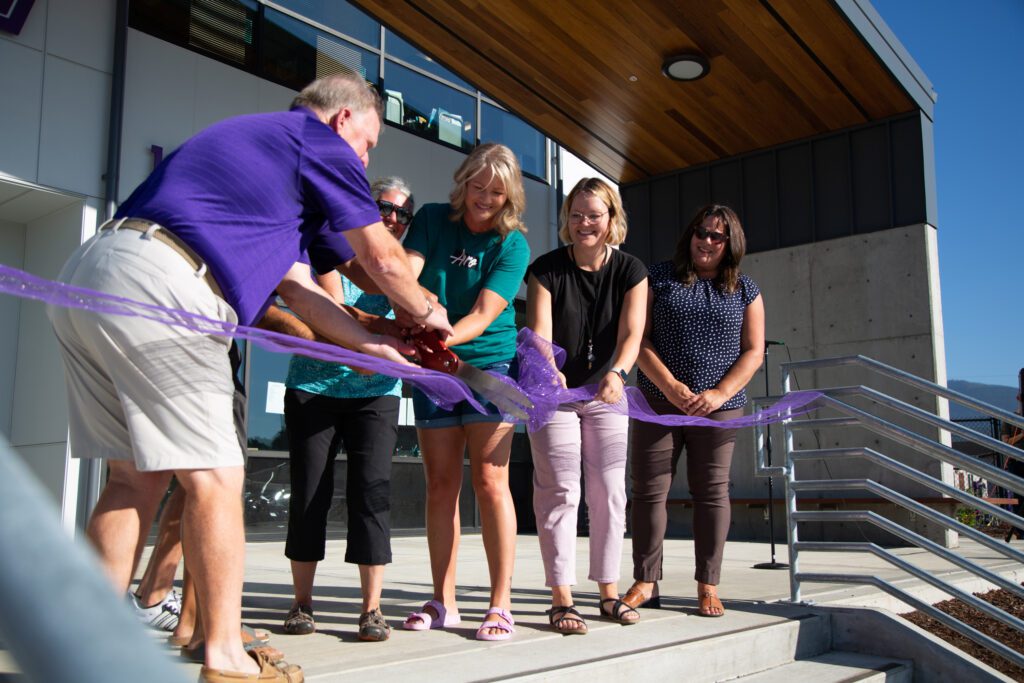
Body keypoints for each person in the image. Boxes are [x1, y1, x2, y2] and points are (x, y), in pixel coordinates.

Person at [48, 73, 451, 682]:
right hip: (169, 285)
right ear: (343, 120)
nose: (364, 160)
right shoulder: (314, 139)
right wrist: (430, 315)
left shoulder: (269, 172)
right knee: (215, 478)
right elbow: (382, 259)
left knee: (132, 480)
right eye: (368, 144)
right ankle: (225, 657)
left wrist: (377, 339)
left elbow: (306, 293)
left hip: (95, 272)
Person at [399, 143, 530, 641]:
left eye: (496, 192)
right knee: (440, 484)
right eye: (478, 187)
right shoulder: (432, 219)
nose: (484, 199)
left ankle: (501, 604)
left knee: (491, 483)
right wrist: (412, 310)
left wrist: (440, 336)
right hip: (432, 364)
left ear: (509, 195)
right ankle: (443, 601)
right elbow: (406, 276)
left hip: (488, 364)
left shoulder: (513, 245)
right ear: (463, 182)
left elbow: (481, 315)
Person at [281, 177, 415, 642]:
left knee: (371, 497)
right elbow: (334, 314)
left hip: (377, 393)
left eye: (403, 213)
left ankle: (371, 609)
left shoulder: (403, 266)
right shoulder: (332, 248)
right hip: (313, 387)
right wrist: (378, 335)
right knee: (309, 495)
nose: (393, 218)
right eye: (384, 207)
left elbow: (410, 320)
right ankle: (302, 602)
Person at [624, 204, 764, 618]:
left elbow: (754, 351)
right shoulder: (659, 277)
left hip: (719, 409)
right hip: (657, 401)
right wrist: (670, 385)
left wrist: (720, 393)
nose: (705, 241)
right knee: (649, 491)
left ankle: (708, 585)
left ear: (730, 243)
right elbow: (639, 338)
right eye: (700, 232)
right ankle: (646, 581)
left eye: (716, 236)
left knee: (712, 493)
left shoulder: (746, 290)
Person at [525, 178, 647, 634]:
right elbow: (540, 334)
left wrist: (618, 373)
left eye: (594, 215)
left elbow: (633, 334)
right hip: (554, 397)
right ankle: (561, 599)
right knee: (561, 492)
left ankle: (608, 593)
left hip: (606, 395)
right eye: (576, 215)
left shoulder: (631, 270)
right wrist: (548, 369)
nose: (584, 224)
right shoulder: (546, 269)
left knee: (610, 493)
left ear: (611, 219)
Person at [1001, 392, 1024, 542]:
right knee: (1019, 497)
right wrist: (1022, 435)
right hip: (1017, 461)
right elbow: (1006, 441)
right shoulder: (1010, 418)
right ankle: (1020, 530)